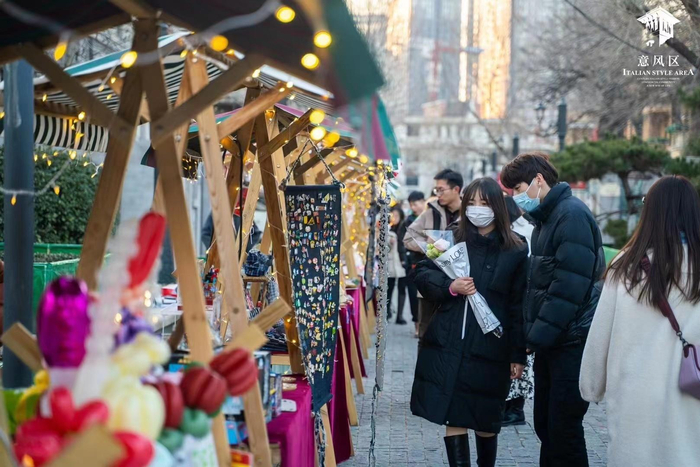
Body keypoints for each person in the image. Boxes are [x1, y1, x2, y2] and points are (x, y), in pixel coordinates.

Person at [580, 176, 700, 467]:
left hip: (634, 399)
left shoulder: (627, 267)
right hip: (691, 397)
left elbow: (600, 337)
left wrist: (591, 386)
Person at [411, 177, 528, 467]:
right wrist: (450, 286)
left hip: (491, 347)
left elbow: (518, 305)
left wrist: (517, 354)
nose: (477, 208)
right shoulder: (452, 237)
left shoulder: (515, 248)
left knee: (486, 418)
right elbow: (423, 274)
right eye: (471, 202)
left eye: (484, 203)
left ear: (497, 206)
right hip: (450, 341)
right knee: (454, 415)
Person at [501, 152, 605, 467]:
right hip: (553, 341)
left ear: (538, 180)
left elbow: (568, 288)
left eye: (518, 188)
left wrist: (536, 337)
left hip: (571, 341)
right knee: (547, 424)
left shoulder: (571, 216)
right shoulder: (545, 220)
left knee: (563, 429)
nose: (516, 197)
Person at [404, 169, 464, 343]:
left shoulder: (469, 213)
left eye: (441, 189)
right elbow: (408, 238)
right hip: (431, 280)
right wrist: (429, 246)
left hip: (460, 281)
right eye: (436, 190)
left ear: (456, 189)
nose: (438, 194)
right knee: (426, 331)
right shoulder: (430, 212)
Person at [501, 196, 535, 426]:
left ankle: (516, 409)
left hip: (523, 297)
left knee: (520, 356)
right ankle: (508, 407)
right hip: (512, 298)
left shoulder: (526, 232)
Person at [400, 191, 427, 336]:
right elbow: (402, 243)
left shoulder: (431, 217)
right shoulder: (408, 221)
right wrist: (405, 261)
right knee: (413, 296)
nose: (413, 207)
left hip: (428, 262)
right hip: (413, 264)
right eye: (411, 205)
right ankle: (417, 324)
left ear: (423, 202)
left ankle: (424, 325)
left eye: (415, 204)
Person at [387, 206, 408, 325]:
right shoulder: (386, 228)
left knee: (402, 288)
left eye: (396, 216)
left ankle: (399, 316)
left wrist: (405, 261)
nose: (394, 218)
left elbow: (405, 244)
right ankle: (387, 312)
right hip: (390, 263)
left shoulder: (404, 228)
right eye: (392, 215)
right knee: (388, 288)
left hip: (402, 262)